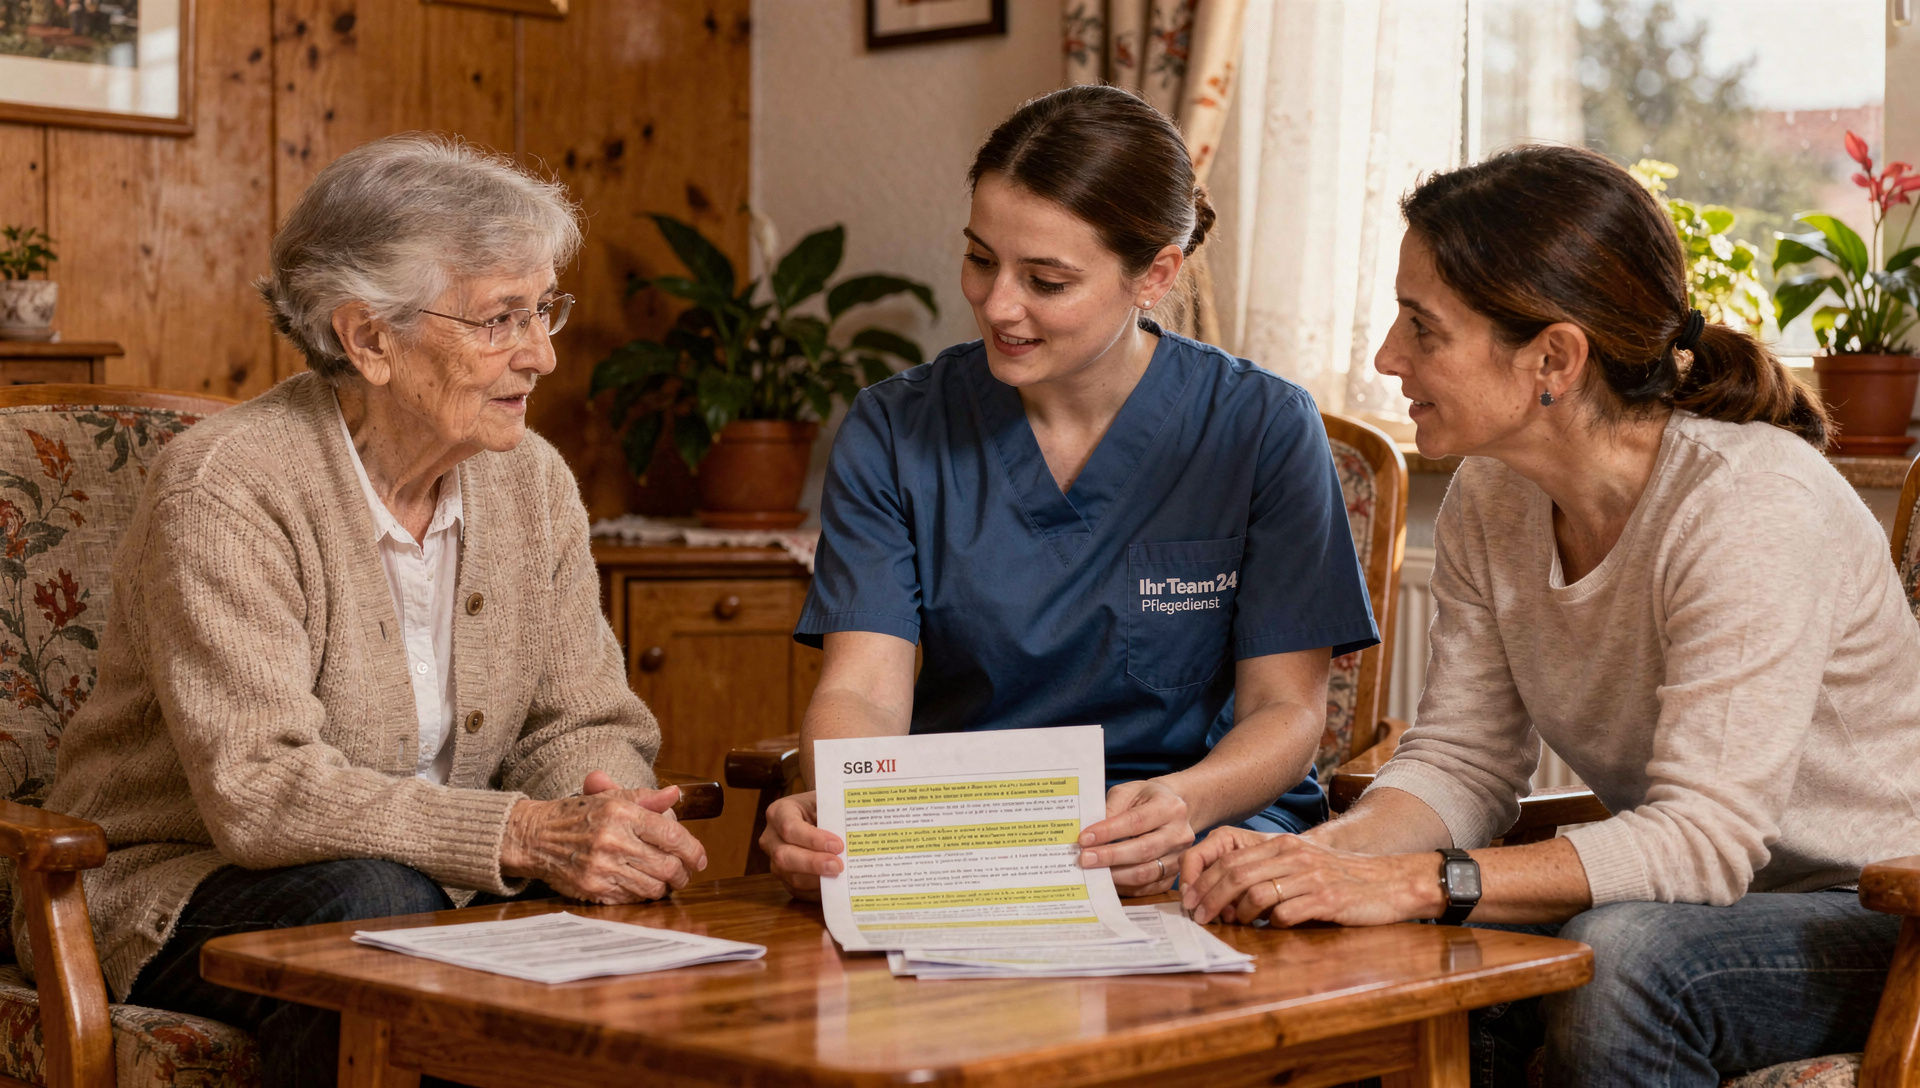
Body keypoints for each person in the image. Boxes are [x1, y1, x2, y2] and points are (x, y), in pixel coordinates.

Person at [1179, 144, 1920, 1087]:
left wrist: (1421, 881)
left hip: (1882, 911)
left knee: (1626, 962)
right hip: (1699, 901)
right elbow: (1463, 762)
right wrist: (1312, 865)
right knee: (1354, 944)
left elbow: (1704, 839)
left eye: (1423, 328)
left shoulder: (1750, 504)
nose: (1386, 357)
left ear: (1553, 359)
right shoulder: (1495, 496)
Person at [22, 135, 706, 1088]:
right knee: (376, 914)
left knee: (605, 913)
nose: (543, 355)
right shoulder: (229, 489)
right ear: (369, 338)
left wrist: (605, 818)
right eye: (503, 318)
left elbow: (579, 717)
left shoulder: (532, 481)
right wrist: (517, 835)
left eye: (544, 308)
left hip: (440, 886)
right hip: (175, 884)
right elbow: (260, 792)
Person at [759, 85, 1379, 902]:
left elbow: (1285, 712)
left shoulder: (1262, 428)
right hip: (969, 837)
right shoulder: (894, 429)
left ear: (1156, 273)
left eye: (1046, 280)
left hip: (1193, 832)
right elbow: (861, 690)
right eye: (981, 259)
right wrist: (844, 806)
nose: (997, 305)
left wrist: (1181, 803)